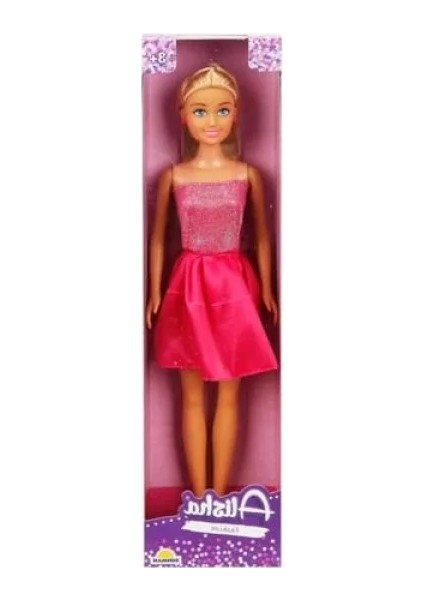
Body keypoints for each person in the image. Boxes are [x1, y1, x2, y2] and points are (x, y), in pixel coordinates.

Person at [146, 63, 278, 497]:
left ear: (236, 114)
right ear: (183, 116)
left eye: (222, 110)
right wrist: (153, 291)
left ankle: (218, 498)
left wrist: (268, 288)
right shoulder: (175, 175)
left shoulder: (246, 174)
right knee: (189, 395)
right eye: (200, 111)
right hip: (187, 286)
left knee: (228, 394)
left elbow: (262, 237)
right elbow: (157, 239)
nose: (212, 120)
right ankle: (199, 498)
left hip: (235, 288)